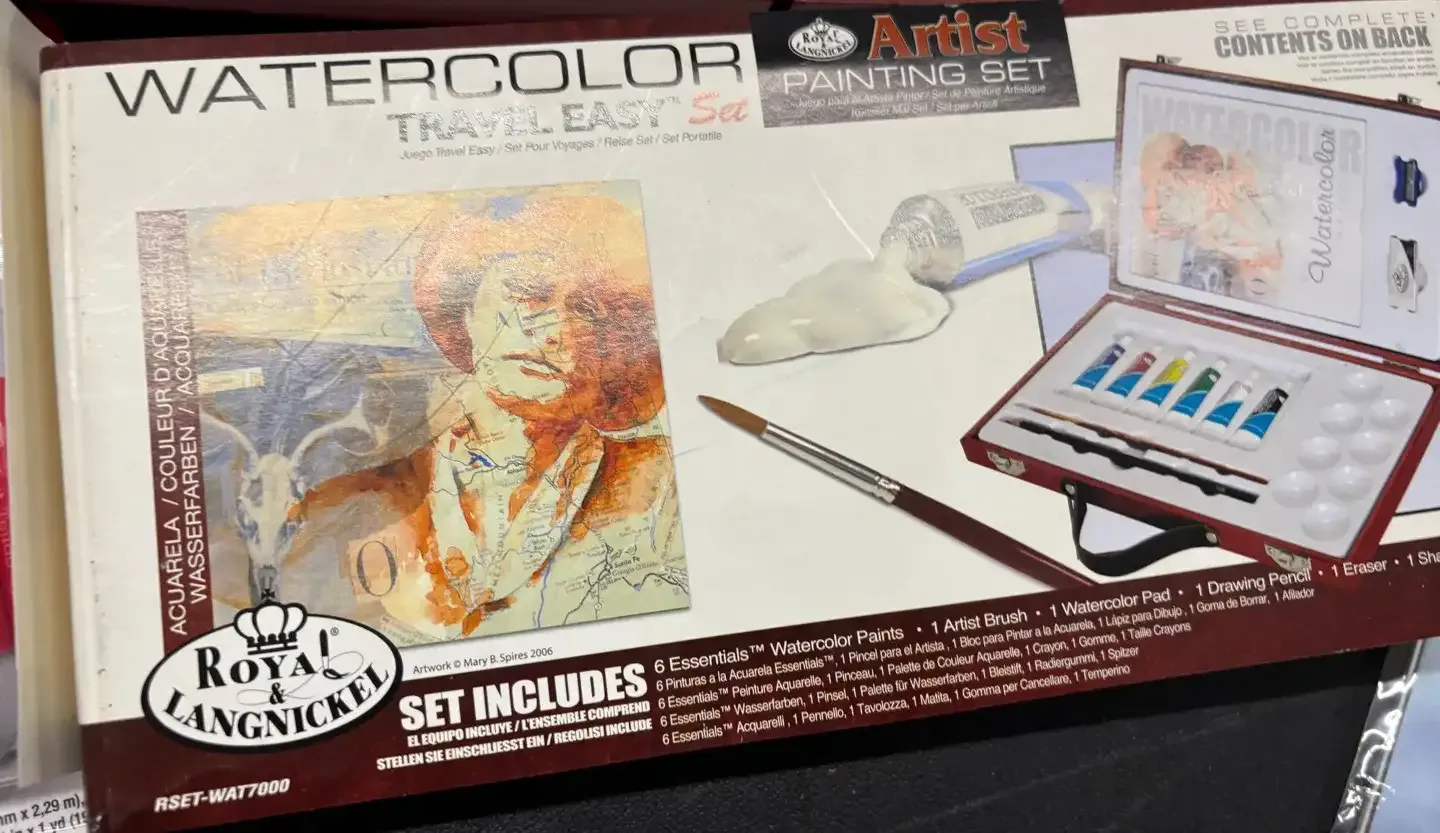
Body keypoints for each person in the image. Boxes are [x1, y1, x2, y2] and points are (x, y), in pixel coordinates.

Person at [277, 191, 689, 644]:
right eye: (528, 293)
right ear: (465, 313)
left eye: (585, 310)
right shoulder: (348, 504)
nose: (555, 331)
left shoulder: (663, 480)